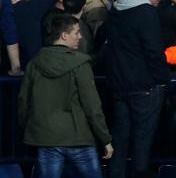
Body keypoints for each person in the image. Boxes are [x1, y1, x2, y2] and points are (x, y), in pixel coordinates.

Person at [18, 12, 112, 176]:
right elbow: (92, 106)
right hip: (79, 137)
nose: (80, 36)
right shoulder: (80, 64)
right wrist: (105, 139)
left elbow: (23, 102)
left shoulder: (34, 63)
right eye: (76, 32)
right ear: (64, 35)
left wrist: (30, 129)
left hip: (46, 137)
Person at [105, 0, 172, 178]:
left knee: (120, 142)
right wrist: (162, 80)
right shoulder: (146, 12)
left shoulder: (117, 8)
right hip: (144, 89)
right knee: (142, 145)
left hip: (119, 86)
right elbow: (153, 51)